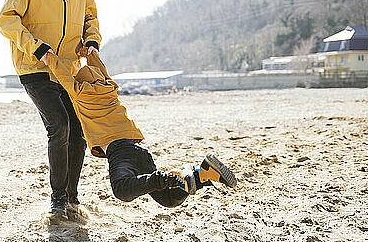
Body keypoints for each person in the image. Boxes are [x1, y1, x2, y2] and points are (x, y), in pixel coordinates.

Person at [45, 49, 237, 209]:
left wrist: (46, 55)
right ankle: (201, 174)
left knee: (122, 190)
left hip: (119, 153)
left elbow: (61, 73)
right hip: (137, 150)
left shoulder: (80, 92)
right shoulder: (109, 88)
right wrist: (91, 53)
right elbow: (101, 70)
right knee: (168, 200)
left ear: (80, 82)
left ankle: (170, 177)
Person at [0, 0, 101, 216]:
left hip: (67, 69)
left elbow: (90, 19)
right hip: (35, 67)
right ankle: (57, 201)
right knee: (59, 126)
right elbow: (6, 19)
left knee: (78, 132)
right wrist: (35, 46)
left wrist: (92, 41)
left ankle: (72, 198)